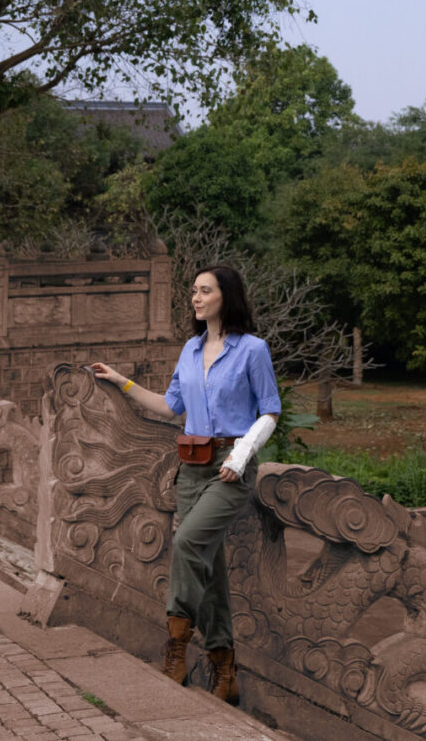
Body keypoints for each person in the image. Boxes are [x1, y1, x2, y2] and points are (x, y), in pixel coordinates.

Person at [90, 263, 279, 704]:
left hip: (231, 465)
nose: (196, 298)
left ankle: (176, 643)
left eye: (205, 291)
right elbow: (171, 405)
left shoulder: (252, 350)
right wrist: (122, 381)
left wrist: (240, 455)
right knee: (208, 568)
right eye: (193, 291)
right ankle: (224, 670)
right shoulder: (191, 350)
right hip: (191, 468)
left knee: (187, 544)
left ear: (225, 297)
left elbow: (270, 411)